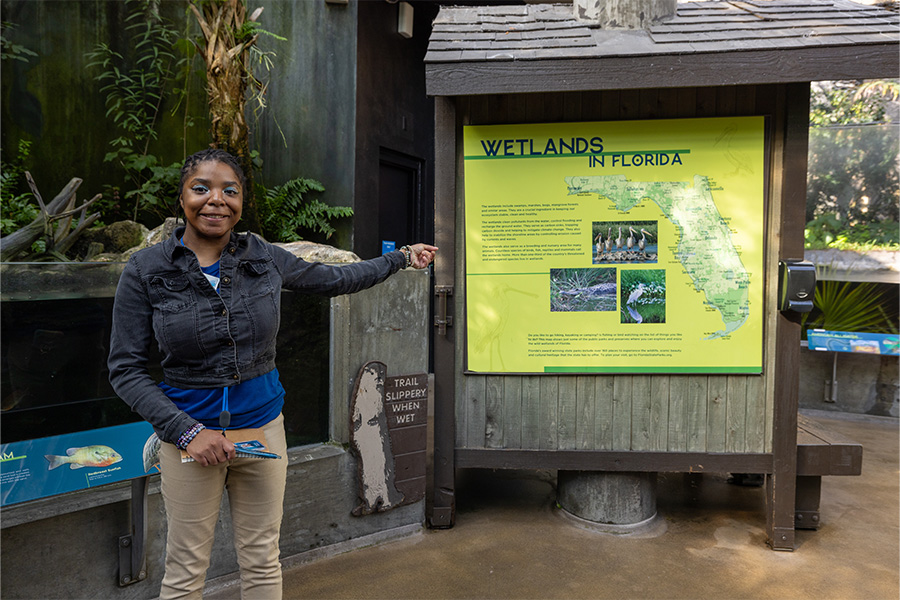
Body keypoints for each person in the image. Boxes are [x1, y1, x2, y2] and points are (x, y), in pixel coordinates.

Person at [108, 148, 436, 599]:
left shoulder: (261, 254)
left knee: (263, 561)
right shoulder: (146, 270)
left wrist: (401, 257)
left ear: (241, 200)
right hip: (190, 440)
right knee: (185, 571)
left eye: (230, 190)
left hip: (262, 432)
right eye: (201, 188)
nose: (215, 200)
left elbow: (336, 279)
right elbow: (125, 370)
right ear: (182, 196)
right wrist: (185, 433)